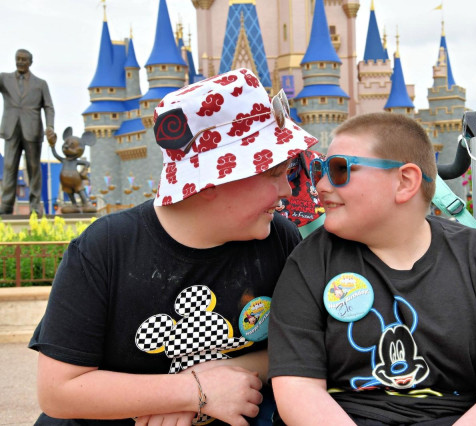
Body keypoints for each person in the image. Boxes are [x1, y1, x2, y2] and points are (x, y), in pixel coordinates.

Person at [28, 68, 318, 425]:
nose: (288, 191)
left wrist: (206, 386)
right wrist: (191, 392)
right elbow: (58, 390)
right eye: (274, 174)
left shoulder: (279, 239)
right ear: (213, 180)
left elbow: (301, 347)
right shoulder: (105, 250)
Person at [268, 112, 476, 425]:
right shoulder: (309, 262)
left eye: (339, 170)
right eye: (319, 169)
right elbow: (298, 388)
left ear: (404, 182)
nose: (319, 185)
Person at [0, 49, 55, 215]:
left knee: (33, 168)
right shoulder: (4, 79)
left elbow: (48, 107)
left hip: (33, 130)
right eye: (18, 59)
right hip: (11, 129)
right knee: (9, 166)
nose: (20, 62)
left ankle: (34, 205)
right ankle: (7, 205)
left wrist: (50, 127)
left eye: (24, 59)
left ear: (30, 62)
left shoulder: (40, 83)